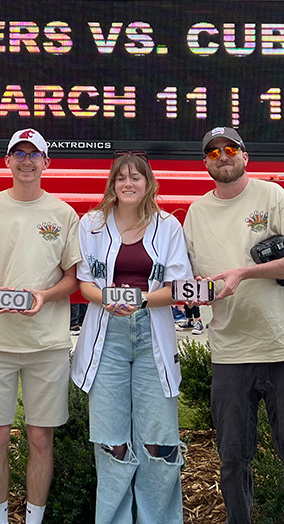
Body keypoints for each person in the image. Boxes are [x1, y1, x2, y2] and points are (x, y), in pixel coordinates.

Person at [184, 126, 284, 524]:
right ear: (205, 163)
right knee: (231, 461)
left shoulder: (271, 195)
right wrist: (192, 293)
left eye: (230, 148)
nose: (222, 156)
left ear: (245, 156)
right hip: (231, 353)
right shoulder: (196, 213)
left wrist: (245, 272)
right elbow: (192, 283)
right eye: (213, 152)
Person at [71, 152, 192, 524]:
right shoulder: (91, 223)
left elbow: (178, 287)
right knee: (113, 443)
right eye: (121, 177)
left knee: (159, 442)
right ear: (112, 183)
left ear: (148, 183)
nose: (128, 183)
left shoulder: (168, 225)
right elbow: (84, 283)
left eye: (136, 177)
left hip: (151, 333)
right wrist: (108, 300)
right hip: (106, 336)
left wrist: (139, 300)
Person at [0, 128, 82, 524]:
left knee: (40, 437)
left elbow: (73, 278)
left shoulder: (63, 214)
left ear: (47, 163)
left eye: (34, 155)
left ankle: (34, 519)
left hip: (47, 343)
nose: (26, 160)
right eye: (18, 153)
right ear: (7, 161)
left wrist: (44, 296)